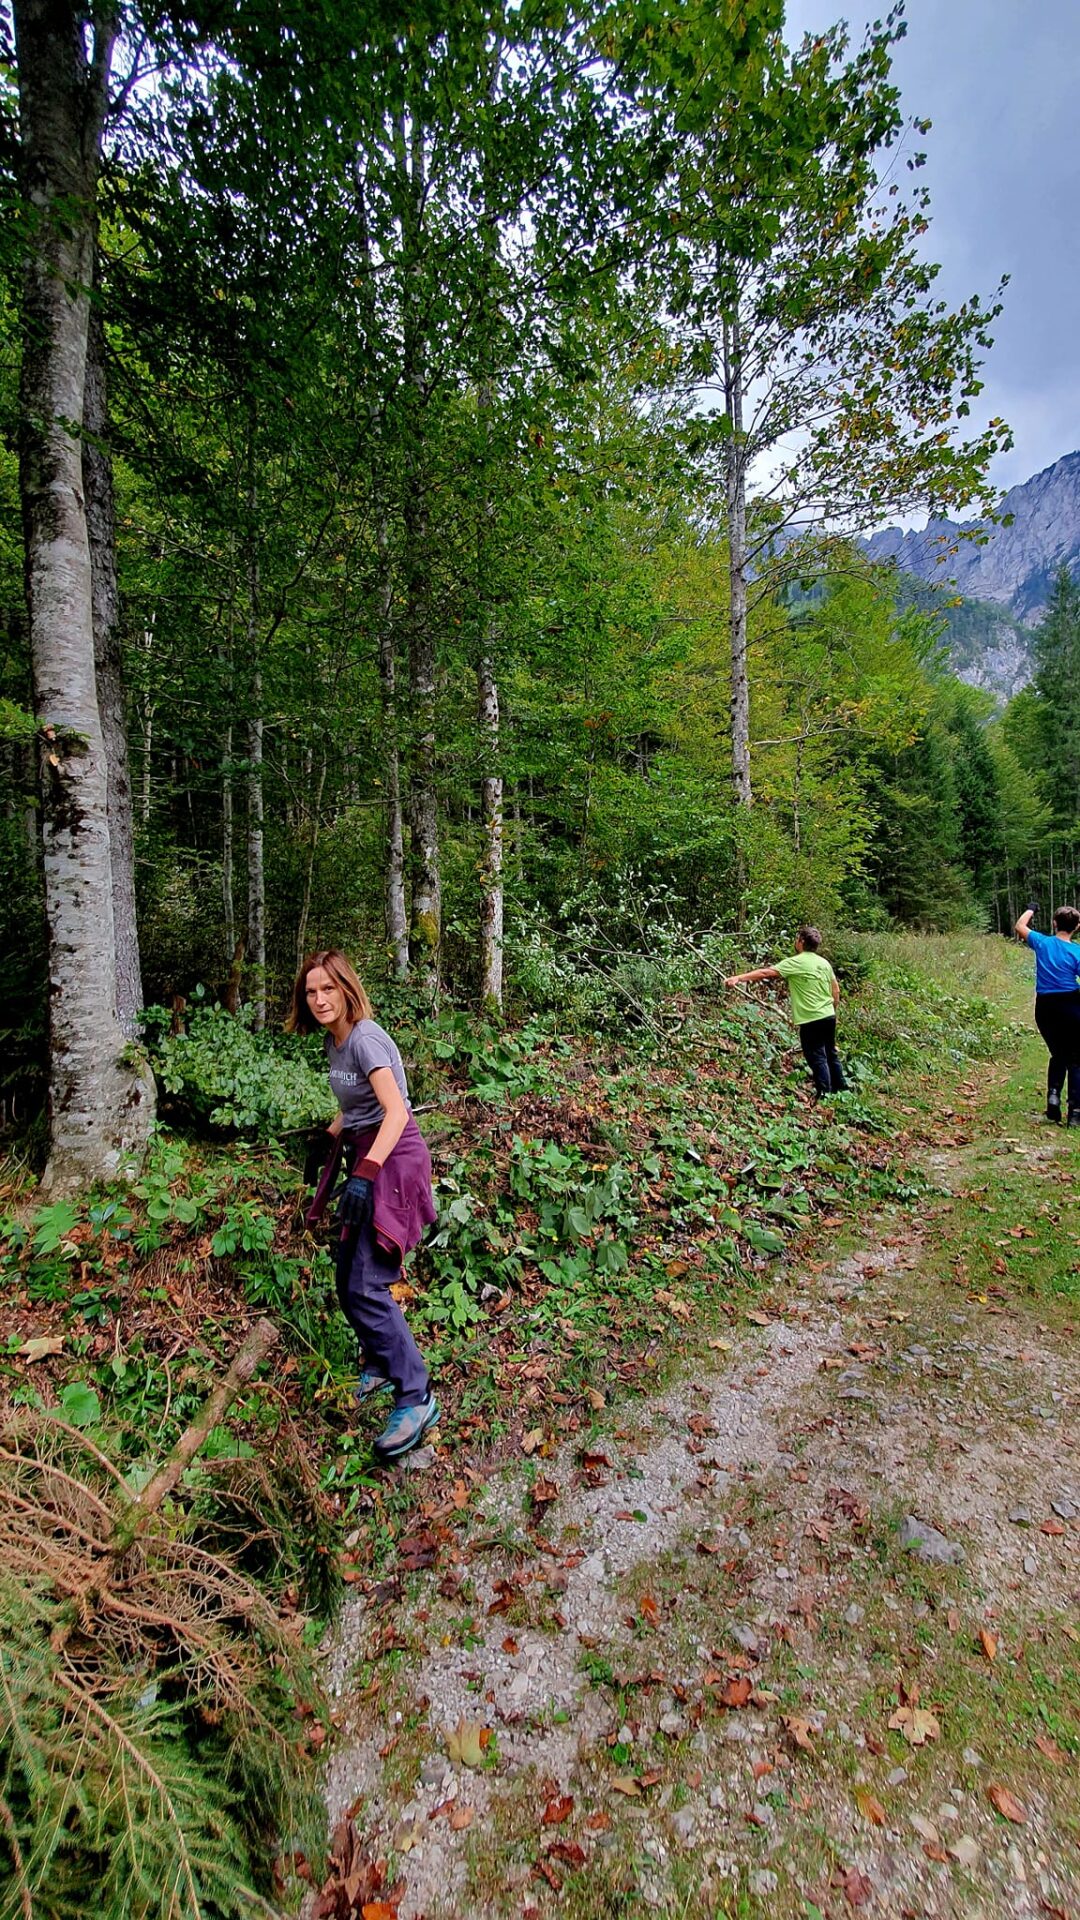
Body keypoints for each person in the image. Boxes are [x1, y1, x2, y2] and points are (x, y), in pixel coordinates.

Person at [287, 949, 440, 1459]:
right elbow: (355, 1106)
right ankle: (378, 1364)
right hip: (366, 1153)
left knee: (366, 1283)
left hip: (393, 1158)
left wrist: (366, 1173)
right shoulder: (335, 1042)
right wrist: (329, 1135)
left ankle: (416, 1395)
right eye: (311, 991)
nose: (319, 999)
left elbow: (395, 1112)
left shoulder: (365, 1038)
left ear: (346, 989)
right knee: (345, 1277)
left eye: (328, 988)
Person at [724, 924, 848, 1099]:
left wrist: (738, 978)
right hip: (828, 1015)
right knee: (830, 1053)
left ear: (801, 941)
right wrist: (832, 1010)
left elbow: (766, 973)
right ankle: (842, 1091)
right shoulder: (824, 963)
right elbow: (836, 990)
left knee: (817, 1056)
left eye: (797, 938)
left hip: (812, 1018)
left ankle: (824, 1095)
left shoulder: (796, 962)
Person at [1014, 903, 1080, 1126]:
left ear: (1054, 923)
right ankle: (1075, 1113)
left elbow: (1020, 926)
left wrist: (1032, 908)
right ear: (1076, 927)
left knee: (1058, 1053)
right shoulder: (1077, 952)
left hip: (1045, 1007)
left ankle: (1053, 1098)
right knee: (1076, 1059)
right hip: (1071, 1005)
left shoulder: (1042, 943)